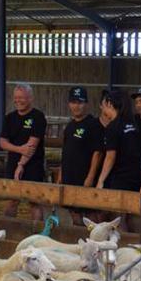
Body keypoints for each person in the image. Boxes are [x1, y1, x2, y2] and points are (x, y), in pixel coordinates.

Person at [57, 86, 105, 226]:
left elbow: (98, 152)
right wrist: (60, 174)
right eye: (73, 102)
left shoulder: (94, 124)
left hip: (84, 176)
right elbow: (65, 152)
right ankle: (79, 240)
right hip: (69, 176)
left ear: (86, 104)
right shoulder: (69, 126)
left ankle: (97, 241)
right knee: (73, 211)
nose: (76, 106)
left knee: (91, 212)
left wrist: (90, 177)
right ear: (69, 104)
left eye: (80, 103)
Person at [0, 83, 46, 221]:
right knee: (11, 200)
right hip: (12, 164)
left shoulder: (38, 117)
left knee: (34, 202)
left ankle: (37, 235)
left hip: (33, 165)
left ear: (30, 98)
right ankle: (9, 231)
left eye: (22, 97)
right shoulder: (10, 118)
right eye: (16, 97)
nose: (18, 100)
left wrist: (21, 165)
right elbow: (2, 143)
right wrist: (19, 149)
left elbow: (31, 146)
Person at [96, 89, 141, 192]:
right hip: (137, 176)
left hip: (121, 178)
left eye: (104, 106)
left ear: (109, 104)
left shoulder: (113, 127)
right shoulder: (132, 124)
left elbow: (110, 156)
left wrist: (101, 180)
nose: (103, 111)